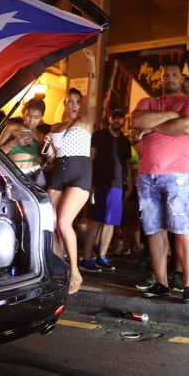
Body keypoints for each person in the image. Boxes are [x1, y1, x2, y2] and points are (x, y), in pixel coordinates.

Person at [131, 63, 189, 304]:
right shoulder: (148, 102)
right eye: (165, 75)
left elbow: (186, 126)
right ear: (160, 79)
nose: (169, 78)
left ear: (182, 78)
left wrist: (152, 126)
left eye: (174, 74)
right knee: (153, 230)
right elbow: (137, 120)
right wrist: (170, 118)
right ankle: (162, 283)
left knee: (183, 229)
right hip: (146, 174)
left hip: (179, 174)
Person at [45, 87, 92, 295]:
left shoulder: (86, 120)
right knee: (49, 221)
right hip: (58, 173)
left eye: (77, 102)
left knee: (64, 222)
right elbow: (50, 159)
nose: (73, 105)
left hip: (80, 174)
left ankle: (74, 271)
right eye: (70, 101)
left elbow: (93, 97)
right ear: (64, 104)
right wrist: (48, 148)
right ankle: (56, 266)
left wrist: (91, 67)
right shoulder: (56, 126)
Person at [79, 108, 132, 272]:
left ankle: (102, 256)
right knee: (96, 220)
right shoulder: (99, 135)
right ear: (109, 118)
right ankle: (87, 258)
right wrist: (89, 181)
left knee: (111, 222)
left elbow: (127, 166)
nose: (117, 120)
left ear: (124, 120)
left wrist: (129, 185)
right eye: (115, 116)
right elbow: (91, 158)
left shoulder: (125, 141)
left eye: (120, 117)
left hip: (116, 185)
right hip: (98, 183)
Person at [0, 98, 47, 187]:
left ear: (41, 118)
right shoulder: (12, 127)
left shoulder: (41, 136)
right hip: (12, 173)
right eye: (28, 115)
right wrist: (14, 142)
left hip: (33, 175)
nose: (31, 120)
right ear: (23, 113)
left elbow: (46, 160)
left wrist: (47, 149)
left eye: (36, 117)